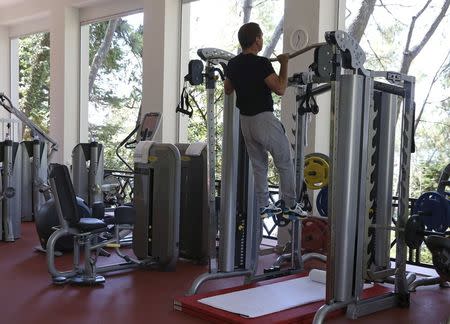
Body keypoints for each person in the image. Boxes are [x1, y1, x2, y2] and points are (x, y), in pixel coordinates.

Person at [224, 22, 307, 220]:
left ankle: (264, 205)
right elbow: (280, 88)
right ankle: (290, 204)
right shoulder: (261, 63)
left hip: (246, 122)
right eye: (261, 37)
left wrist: (241, 78)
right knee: (285, 162)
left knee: (259, 165)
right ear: (256, 40)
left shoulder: (233, 64)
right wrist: (284, 63)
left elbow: (228, 89)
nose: (262, 40)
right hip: (263, 119)